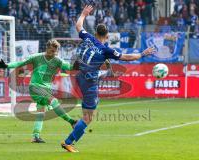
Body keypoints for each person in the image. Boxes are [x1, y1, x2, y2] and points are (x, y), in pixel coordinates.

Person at [61, 5, 155, 152]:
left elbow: (79, 25)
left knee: (90, 108)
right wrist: (143, 53)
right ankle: (69, 142)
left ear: (96, 32)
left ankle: (77, 129)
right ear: (106, 36)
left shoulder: (87, 37)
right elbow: (127, 57)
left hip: (79, 76)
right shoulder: (106, 50)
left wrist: (84, 13)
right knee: (88, 117)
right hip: (89, 81)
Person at [0, 39, 77, 143]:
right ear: (47, 48)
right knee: (54, 101)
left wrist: (77, 65)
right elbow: (20, 63)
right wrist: (6, 65)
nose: (54, 54)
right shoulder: (36, 57)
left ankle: (35, 136)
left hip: (46, 89)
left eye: (55, 52)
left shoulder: (57, 61)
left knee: (41, 113)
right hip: (35, 87)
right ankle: (71, 121)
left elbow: (69, 67)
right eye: (52, 51)